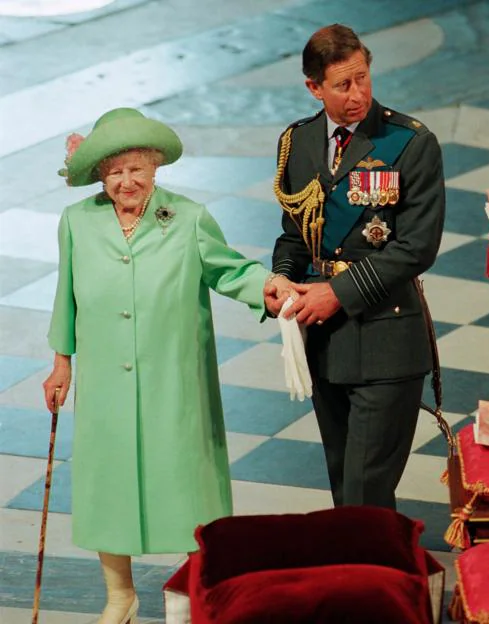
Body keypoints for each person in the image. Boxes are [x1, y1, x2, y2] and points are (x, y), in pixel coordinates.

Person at [42, 108, 291, 624]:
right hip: (107, 377)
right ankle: (120, 597)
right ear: (99, 177)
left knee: (187, 480)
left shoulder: (188, 217)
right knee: (107, 480)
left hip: (174, 375)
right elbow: (65, 294)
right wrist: (61, 362)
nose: (126, 181)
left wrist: (267, 288)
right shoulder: (77, 222)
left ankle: (197, 597)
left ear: (155, 168)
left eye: (135, 169)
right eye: (114, 172)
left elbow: (229, 270)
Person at [270, 24, 445, 510]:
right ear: (314, 87)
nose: (358, 94)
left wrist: (336, 292)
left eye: (363, 78)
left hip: (386, 339)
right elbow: (294, 234)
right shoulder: (299, 142)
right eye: (343, 85)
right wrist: (283, 277)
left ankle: (374, 581)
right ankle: (367, 577)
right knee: (344, 485)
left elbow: (416, 248)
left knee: (366, 492)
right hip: (325, 344)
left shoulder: (408, 143)